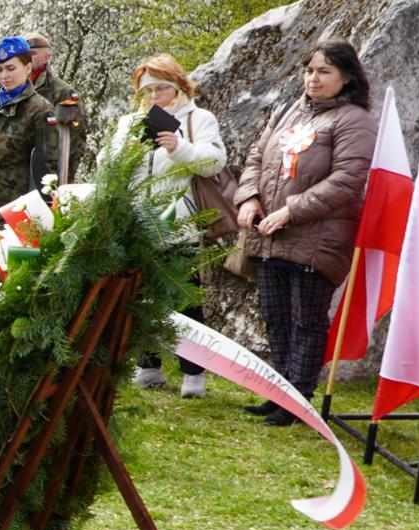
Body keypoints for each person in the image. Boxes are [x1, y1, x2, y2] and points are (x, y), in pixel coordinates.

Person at [233, 39, 374, 427]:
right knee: (276, 317)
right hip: (271, 234)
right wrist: (249, 198)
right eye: (309, 70)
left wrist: (291, 210)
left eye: (324, 71)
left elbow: (347, 180)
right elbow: (256, 157)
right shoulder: (288, 110)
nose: (313, 78)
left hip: (318, 237)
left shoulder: (354, 120)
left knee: (306, 321)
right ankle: (280, 392)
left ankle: (298, 400)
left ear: (346, 78)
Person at [106, 55, 226, 399]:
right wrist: (125, 152)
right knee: (140, 296)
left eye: (161, 88)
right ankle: (148, 366)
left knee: (185, 299)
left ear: (179, 87)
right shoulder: (131, 121)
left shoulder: (199, 119)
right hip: (137, 221)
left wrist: (179, 147)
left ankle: (193, 373)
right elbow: (108, 164)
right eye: (147, 90)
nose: (154, 96)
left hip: (179, 223)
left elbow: (215, 162)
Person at [0, 37, 59, 227]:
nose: (4, 76)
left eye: (10, 68)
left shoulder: (40, 110)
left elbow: (48, 168)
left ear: (28, 68)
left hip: (14, 211)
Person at [24, 32, 87, 182]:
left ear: (46, 57)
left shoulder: (62, 93)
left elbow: (76, 139)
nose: (27, 58)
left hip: (47, 177)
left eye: (32, 54)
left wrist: (65, 179)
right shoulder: (10, 89)